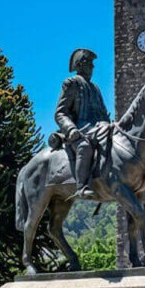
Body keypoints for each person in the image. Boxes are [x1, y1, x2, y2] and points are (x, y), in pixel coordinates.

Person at [54, 48, 112, 199]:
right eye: (88, 63)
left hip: (99, 128)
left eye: (92, 64)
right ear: (79, 65)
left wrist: (110, 126)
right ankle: (81, 186)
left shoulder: (95, 88)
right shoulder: (71, 83)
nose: (92, 67)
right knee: (85, 147)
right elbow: (60, 113)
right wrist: (70, 128)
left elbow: (104, 113)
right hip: (79, 130)